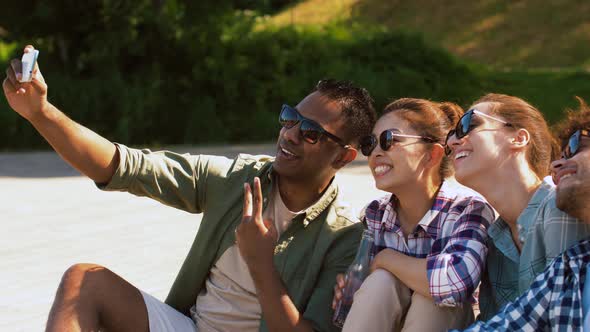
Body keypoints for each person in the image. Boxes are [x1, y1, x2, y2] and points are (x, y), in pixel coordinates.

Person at [2, 45, 378, 332]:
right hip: (191, 325)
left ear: (343, 158)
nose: (290, 134)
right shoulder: (238, 178)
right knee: (84, 280)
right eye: (289, 118)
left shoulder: (345, 236)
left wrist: (261, 262)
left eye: (310, 133)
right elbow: (123, 166)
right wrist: (41, 113)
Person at [332, 98, 495, 331]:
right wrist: (352, 291)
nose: (376, 152)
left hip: (444, 321)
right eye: (370, 144)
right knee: (380, 283)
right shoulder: (375, 214)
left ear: (432, 155)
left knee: (431, 300)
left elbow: (455, 282)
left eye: (389, 140)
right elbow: (351, 306)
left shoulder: (468, 209)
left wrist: (385, 259)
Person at [445, 93, 590, 320]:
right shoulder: (494, 238)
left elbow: (560, 318)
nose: (453, 141)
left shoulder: (558, 209)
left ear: (518, 138)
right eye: (452, 134)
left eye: (468, 124)